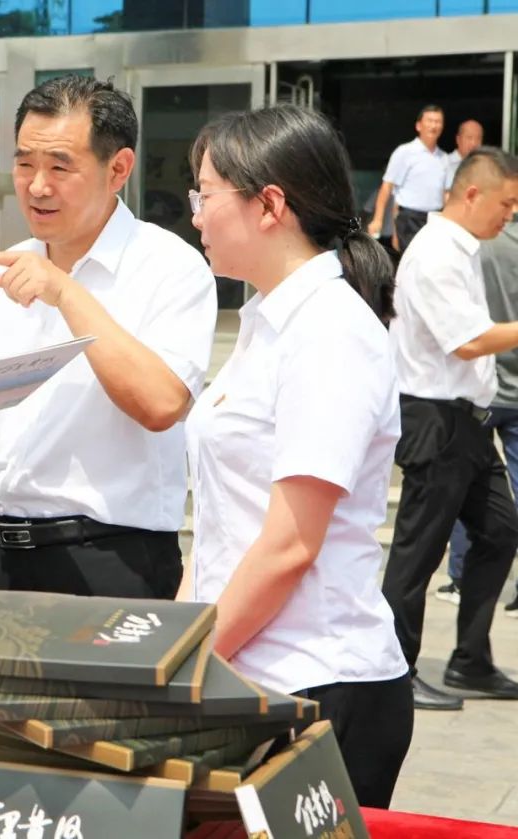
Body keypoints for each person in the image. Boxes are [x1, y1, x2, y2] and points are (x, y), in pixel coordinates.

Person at [181, 104, 412, 809]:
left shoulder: (329, 332)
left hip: (318, 686)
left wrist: (181, 664)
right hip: (247, 674)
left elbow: (289, 544)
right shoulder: (268, 322)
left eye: (205, 194)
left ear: (269, 204)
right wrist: (180, 639)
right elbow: (228, 522)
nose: (193, 215)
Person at [0, 75, 216, 602]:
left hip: (111, 559)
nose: (37, 185)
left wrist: (66, 293)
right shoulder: (0, 274)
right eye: (24, 164)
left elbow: (161, 404)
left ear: (119, 169)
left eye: (60, 166)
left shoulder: (169, 267)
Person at [383, 147, 518, 713]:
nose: (509, 215)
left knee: (500, 530)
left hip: (466, 420)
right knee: (417, 555)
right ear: (472, 194)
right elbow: (465, 341)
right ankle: (393, 672)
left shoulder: (461, 250)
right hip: (435, 420)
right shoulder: (436, 253)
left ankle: (469, 660)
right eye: (506, 203)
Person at [441, 216, 518, 610]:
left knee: (476, 500)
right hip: (485, 393)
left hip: (482, 391)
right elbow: (468, 337)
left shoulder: (477, 246)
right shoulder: (463, 246)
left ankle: (458, 579)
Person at [368, 105, 447, 253]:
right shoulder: (404, 152)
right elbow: (387, 187)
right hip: (409, 219)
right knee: (411, 260)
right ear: (418, 126)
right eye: (430, 121)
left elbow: (446, 194)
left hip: (435, 219)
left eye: (438, 121)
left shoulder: (444, 158)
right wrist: (378, 219)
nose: (434, 125)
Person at [445, 119, 485, 195]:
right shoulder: (445, 163)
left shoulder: (483, 167)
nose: (474, 143)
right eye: (469, 137)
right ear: (458, 139)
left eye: (478, 138)